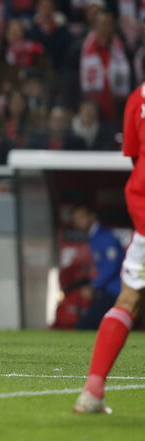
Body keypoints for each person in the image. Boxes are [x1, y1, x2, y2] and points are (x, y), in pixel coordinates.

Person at [74, 82, 145, 414]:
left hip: (144, 211)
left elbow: (134, 156)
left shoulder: (139, 96)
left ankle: (93, 390)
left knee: (128, 300)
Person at [71, 205, 123, 331]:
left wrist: (94, 286)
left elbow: (112, 266)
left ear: (92, 217)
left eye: (81, 217)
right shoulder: (94, 237)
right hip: (107, 291)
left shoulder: (105, 237)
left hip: (116, 291)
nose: (78, 222)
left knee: (85, 325)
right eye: (75, 219)